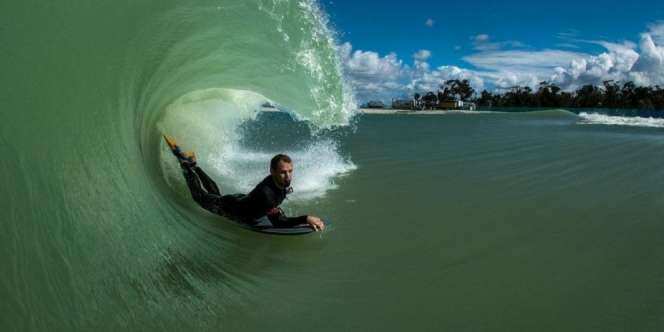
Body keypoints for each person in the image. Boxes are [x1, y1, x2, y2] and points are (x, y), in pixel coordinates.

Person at [164, 136, 326, 231]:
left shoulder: (281, 184)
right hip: (230, 208)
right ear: (272, 171)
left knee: (216, 195)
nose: (288, 176)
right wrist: (306, 218)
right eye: (283, 172)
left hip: (240, 200)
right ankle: (186, 166)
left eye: (290, 171)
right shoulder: (267, 195)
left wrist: (274, 211)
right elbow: (279, 222)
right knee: (200, 196)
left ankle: (195, 166)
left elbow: (273, 210)